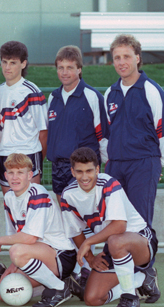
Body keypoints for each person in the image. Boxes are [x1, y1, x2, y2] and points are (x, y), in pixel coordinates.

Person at [61, 147, 160, 307]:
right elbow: (75, 231)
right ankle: (141, 280)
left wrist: (89, 242)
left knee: (115, 240)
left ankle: (130, 298)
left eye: (89, 171)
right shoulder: (68, 195)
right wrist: (91, 258)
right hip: (115, 248)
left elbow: (119, 226)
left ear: (97, 169)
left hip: (141, 240)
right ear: (72, 171)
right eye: (79, 171)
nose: (84, 177)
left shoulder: (108, 183)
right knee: (92, 298)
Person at [104, 34, 164, 227]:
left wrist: (159, 164)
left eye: (126, 56)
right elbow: (107, 134)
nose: (121, 62)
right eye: (117, 58)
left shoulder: (151, 90)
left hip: (143, 164)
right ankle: (120, 259)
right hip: (116, 166)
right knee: (116, 222)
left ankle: (144, 259)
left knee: (139, 222)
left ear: (137, 58)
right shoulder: (110, 93)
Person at [0, 153, 77, 307]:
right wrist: (13, 267)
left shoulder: (38, 193)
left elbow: (29, 239)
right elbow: (15, 237)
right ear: (5, 175)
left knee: (17, 251)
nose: (15, 177)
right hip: (37, 256)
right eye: (11, 173)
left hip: (60, 254)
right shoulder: (9, 197)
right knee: (5, 292)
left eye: (20, 172)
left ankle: (60, 289)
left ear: (29, 175)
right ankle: (64, 283)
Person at [47, 45, 110, 201]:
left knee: (86, 214)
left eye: (69, 67)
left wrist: (104, 167)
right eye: (60, 67)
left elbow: (103, 135)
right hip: (59, 167)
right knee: (65, 213)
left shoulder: (92, 96)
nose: (64, 72)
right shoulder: (53, 98)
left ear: (79, 69)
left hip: (83, 168)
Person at [0, 41, 48, 195]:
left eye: (13, 63)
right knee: (10, 205)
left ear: (23, 64)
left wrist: (37, 157)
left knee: (31, 204)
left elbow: (43, 132)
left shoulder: (32, 92)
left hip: (28, 154)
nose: (7, 67)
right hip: (4, 154)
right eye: (4, 62)